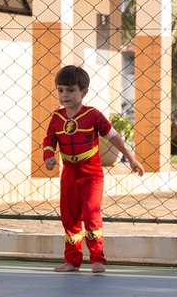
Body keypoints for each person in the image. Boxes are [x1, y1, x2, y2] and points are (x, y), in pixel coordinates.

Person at [41, 65, 144, 273]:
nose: (65, 95)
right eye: (60, 90)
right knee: (69, 217)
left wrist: (131, 159)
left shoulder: (93, 115)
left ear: (83, 92)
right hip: (69, 173)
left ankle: (97, 259)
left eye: (70, 90)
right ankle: (72, 260)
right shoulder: (57, 118)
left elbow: (115, 138)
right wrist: (49, 157)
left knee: (90, 212)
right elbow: (49, 141)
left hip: (91, 174)